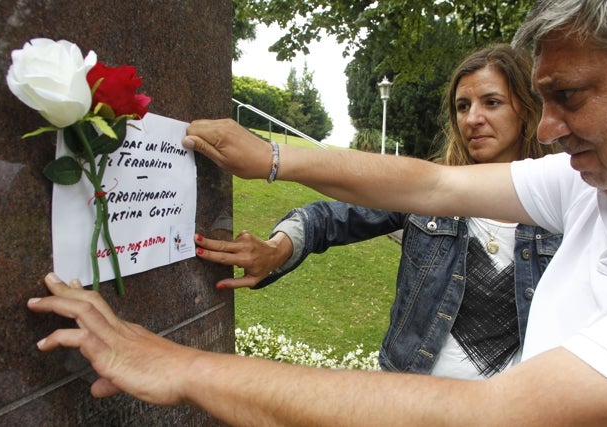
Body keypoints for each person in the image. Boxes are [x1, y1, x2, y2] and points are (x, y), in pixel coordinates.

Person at [28, 1, 607, 424]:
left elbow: (502, 413)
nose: (551, 128)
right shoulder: (596, 183)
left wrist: (181, 365)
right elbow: (429, 186)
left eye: (572, 96)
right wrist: (271, 158)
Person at [195, 43, 561, 379]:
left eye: (491, 102)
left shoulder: (566, 206)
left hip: (513, 410)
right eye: (463, 106)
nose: (472, 118)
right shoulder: (428, 195)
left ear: (526, 110)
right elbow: (330, 218)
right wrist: (277, 248)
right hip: (406, 401)